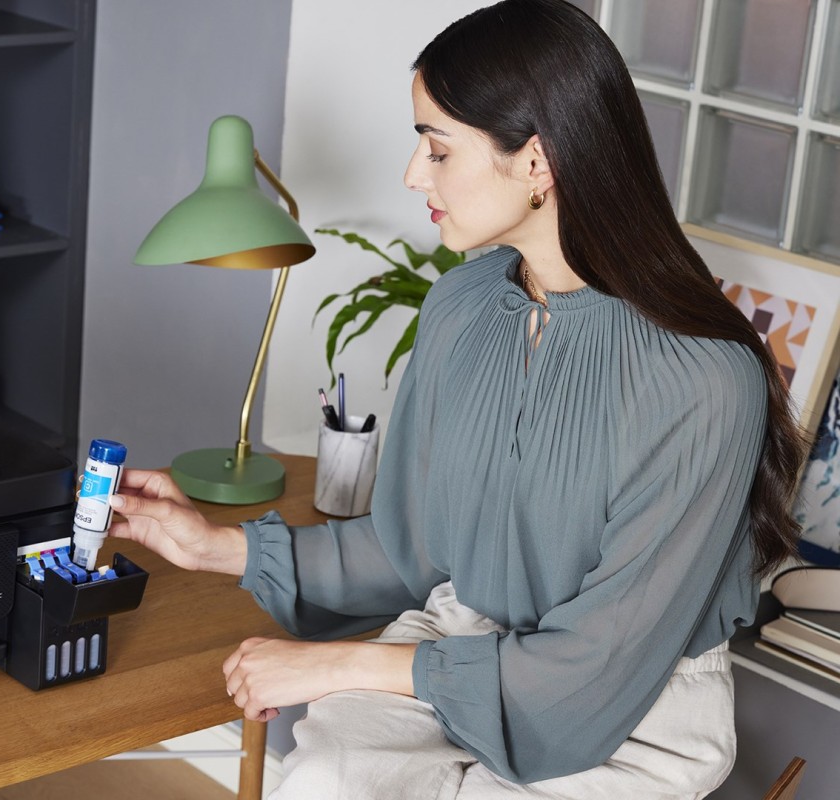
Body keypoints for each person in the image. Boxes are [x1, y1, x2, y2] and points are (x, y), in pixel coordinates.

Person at [107, 1, 809, 797]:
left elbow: (599, 662)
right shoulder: (461, 305)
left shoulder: (704, 376)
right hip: (458, 639)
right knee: (323, 782)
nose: (414, 175)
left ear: (537, 162)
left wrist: (337, 664)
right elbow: (411, 548)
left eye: (438, 150)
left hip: (629, 709)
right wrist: (214, 547)